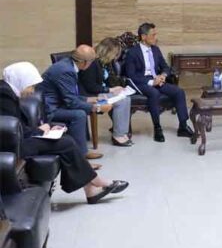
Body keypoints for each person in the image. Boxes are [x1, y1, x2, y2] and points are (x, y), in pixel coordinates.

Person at [1, 62, 129, 204]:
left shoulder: (8, 91)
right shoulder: (4, 96)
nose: (32, 91)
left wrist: (43, 129)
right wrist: (39, 131)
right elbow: (10, 129)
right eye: (31, 85)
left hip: (17, 140)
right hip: (12, 146)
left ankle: (90, 189)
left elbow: (16, 125)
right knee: (65, 143)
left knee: (64, 140)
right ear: (21, 80)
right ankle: (95, 182)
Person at [123, 23, 194, 142]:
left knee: (179, 92)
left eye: (156, 34)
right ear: (143, 37)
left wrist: (163, 76)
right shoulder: (133, 52)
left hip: (157, 80)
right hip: (142, 83)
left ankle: (183, 126)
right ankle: (157, 128)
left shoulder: (156, 50)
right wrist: (151, 82)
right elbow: (131, 75)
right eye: (153, 35)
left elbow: (165, 67)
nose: (156, 38)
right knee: (154, 93)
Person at [39, 45, 111, 160]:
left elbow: (69, 94)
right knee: (79, 114)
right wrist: (97, 108)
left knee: (82, 109)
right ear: (85, 62)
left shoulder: (68, 64)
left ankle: (82, 151)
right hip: (49, 109)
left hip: (57, 102)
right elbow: (71, 102)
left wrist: (88, 99)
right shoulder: (66, 70)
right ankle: (80, 157)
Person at [78, 37, 132, 146]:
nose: (116, 57)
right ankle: (118, 135)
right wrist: (110, 90)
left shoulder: (104, 62)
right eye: (115, 54)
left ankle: (122, 132)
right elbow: (90, 87)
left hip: (101, 92)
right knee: (121, 101)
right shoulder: (92, 63)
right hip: (91, 96)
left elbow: (109, 79)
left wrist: (119, 88)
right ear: (107, 52)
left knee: (125, 98)